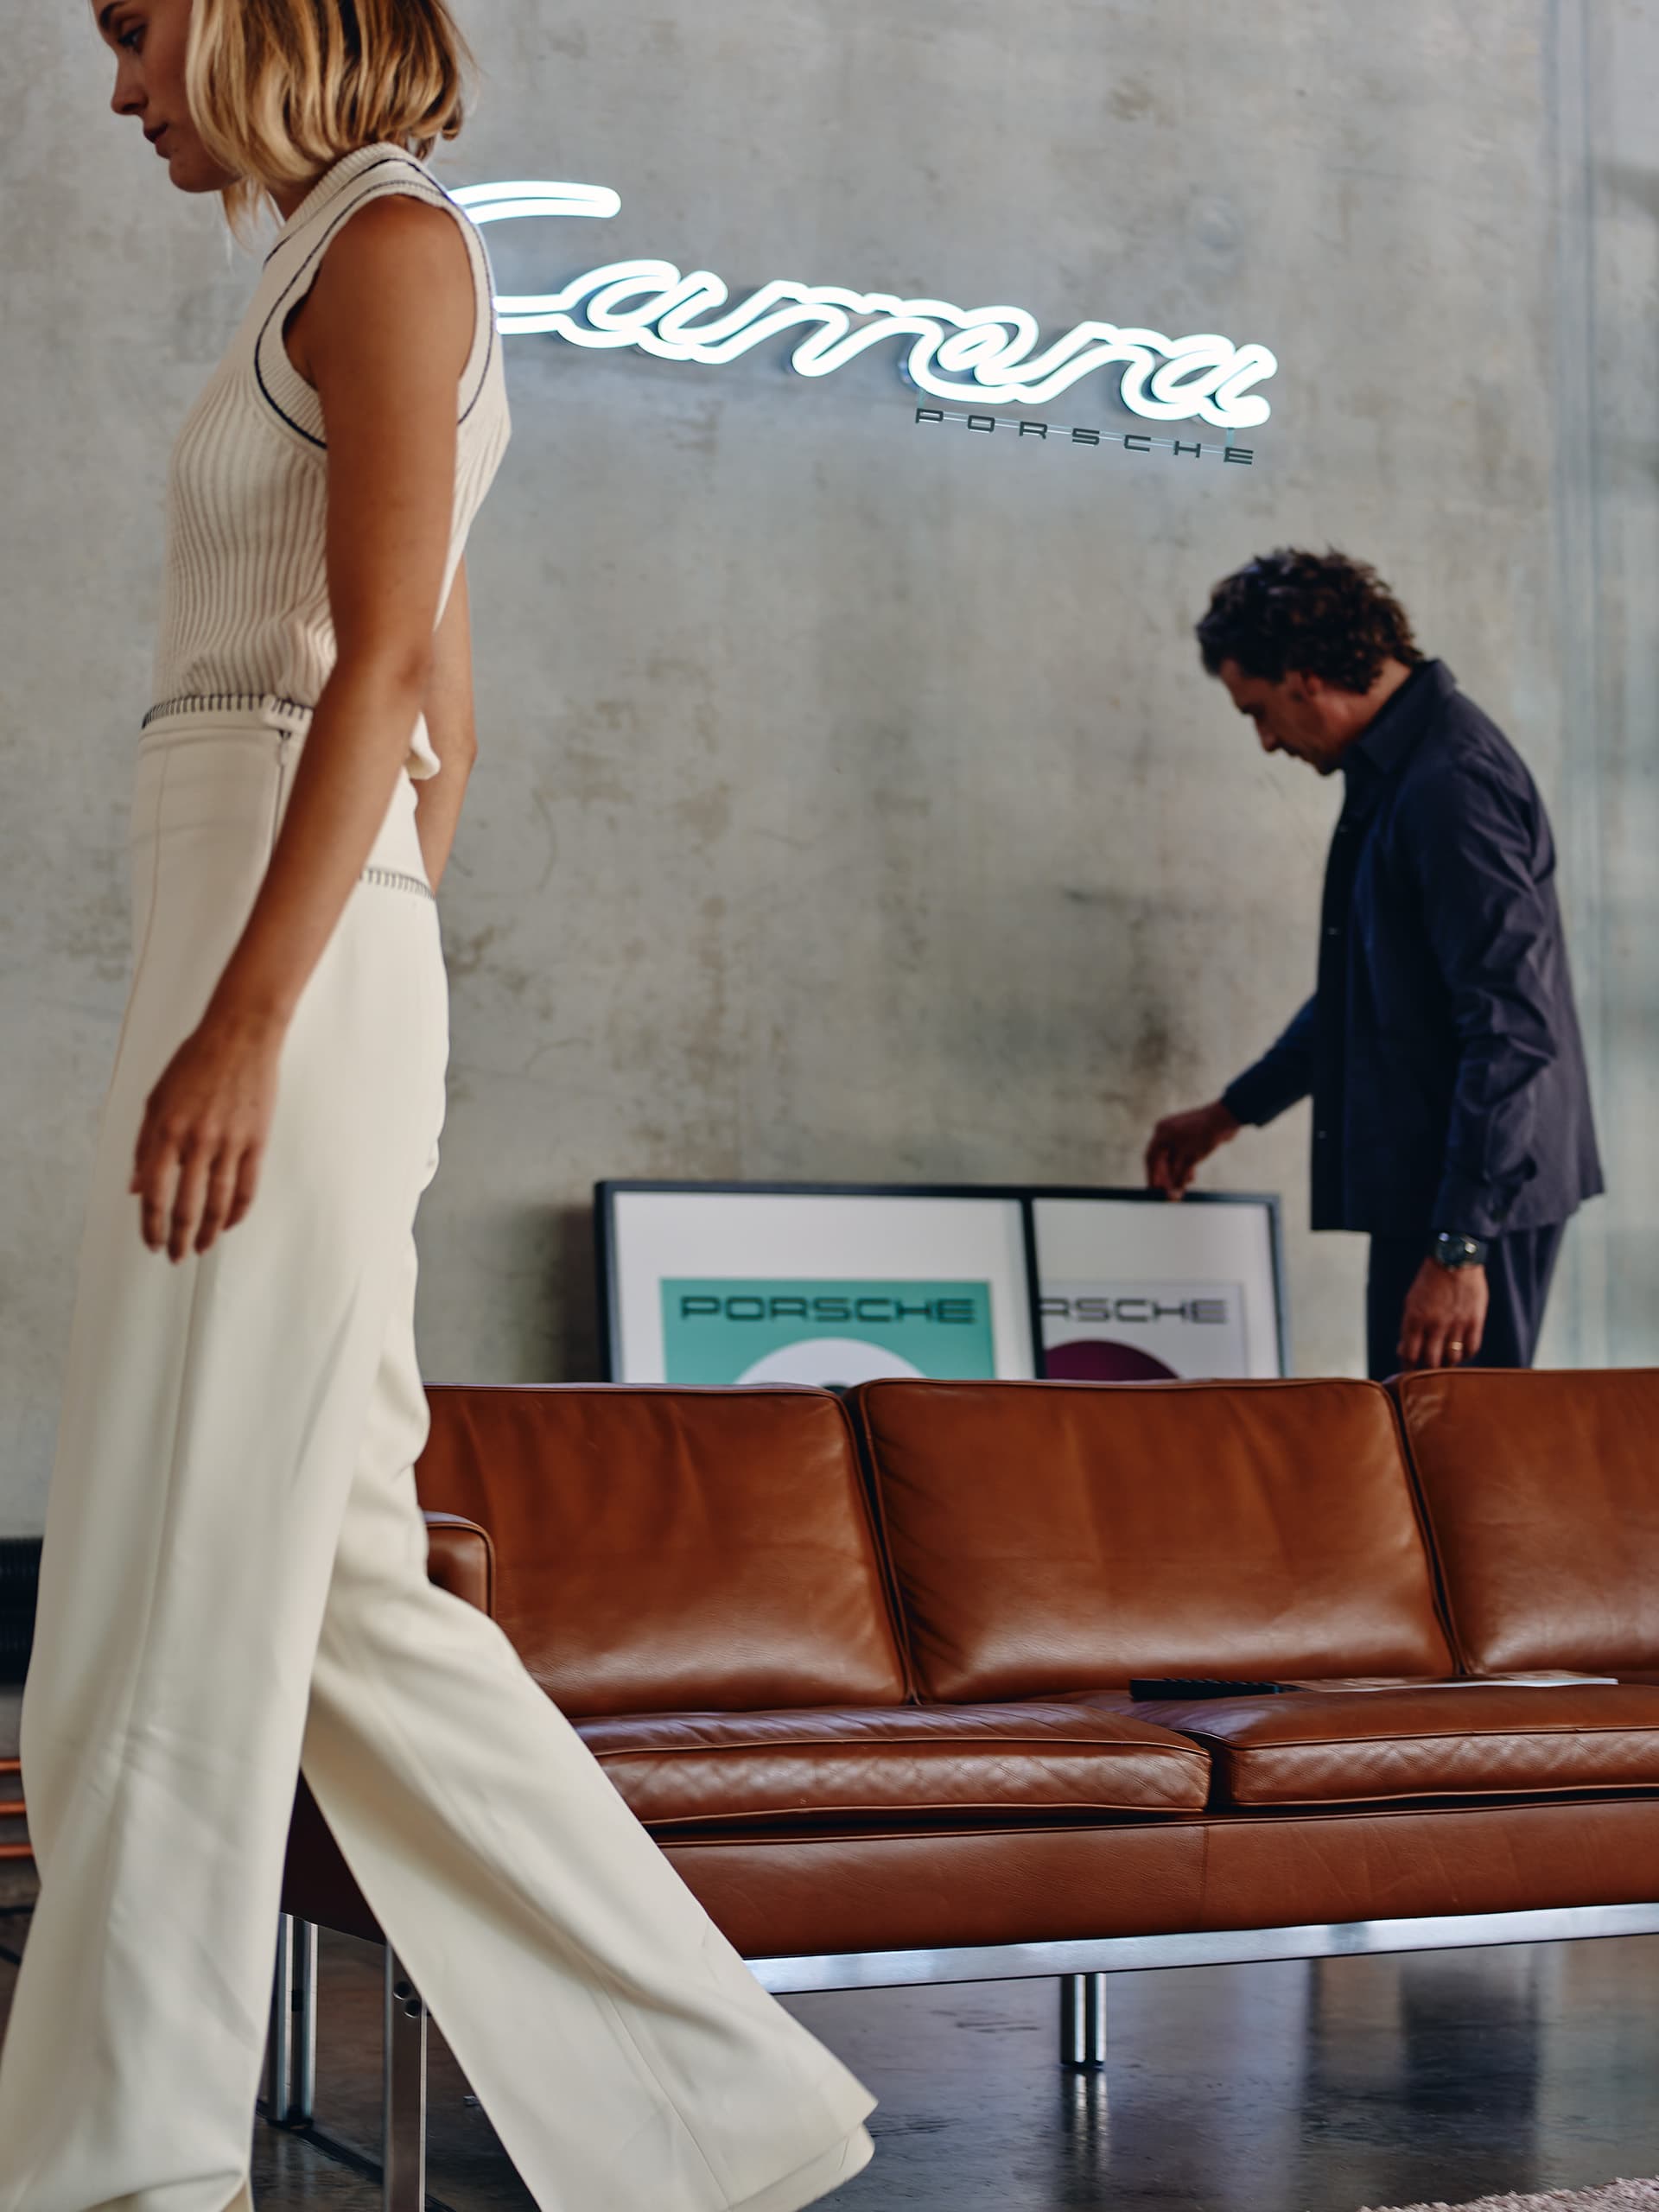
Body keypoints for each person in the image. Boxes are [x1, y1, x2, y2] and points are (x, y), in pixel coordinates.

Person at [0, 3, 877, 2207]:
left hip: (267, 967)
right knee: (345, 1592)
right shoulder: (328, 263)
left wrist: (262, 1016)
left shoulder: (392, 251)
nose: (116, 91)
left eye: (131, 34)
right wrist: (320, 984)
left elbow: (390, 675)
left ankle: (122, 2169)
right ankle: (716, 2112)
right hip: (275, 947)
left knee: (152, 1605)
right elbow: (445, 732)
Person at [1145, 548, 1602, 1381]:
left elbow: (1512, 1027)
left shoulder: (1450, 787)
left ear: (1308, 675)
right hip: (1448, 1195)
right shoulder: (1398, 774)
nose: (1265, 741)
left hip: (1471, 1205)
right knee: (1419, 1454)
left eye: (1259, 709)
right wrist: (1230, 1112)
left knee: (1454, 1471)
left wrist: (1461, 1247)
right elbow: (1367, 998)